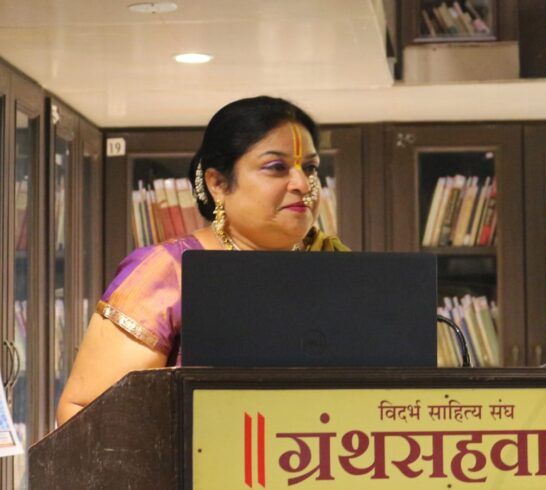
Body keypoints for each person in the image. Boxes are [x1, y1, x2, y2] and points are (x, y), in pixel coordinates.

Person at [56, 96, 349, 425]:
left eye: (310, 168)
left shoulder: (337, 266)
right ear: (218, 183)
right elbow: (84, 413)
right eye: (276, 167)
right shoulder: (169, 271)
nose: (303, 184)